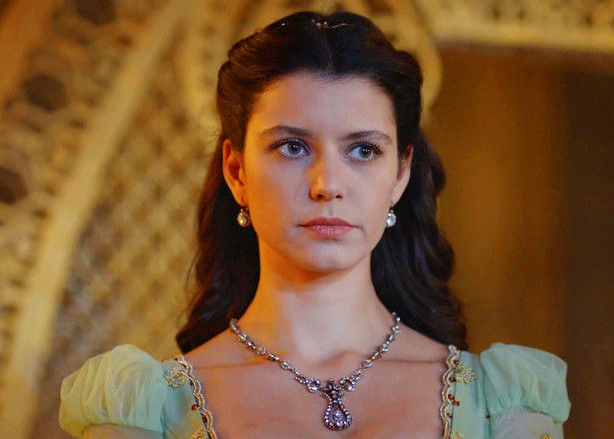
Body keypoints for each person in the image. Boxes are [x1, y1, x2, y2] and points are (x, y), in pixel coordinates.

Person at [58, 11, 570, 439]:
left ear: (400, 174)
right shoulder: (145, 412)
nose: (327, 185)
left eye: (363, 150)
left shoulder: (501, 406)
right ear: (237, 172)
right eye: (292, 147)